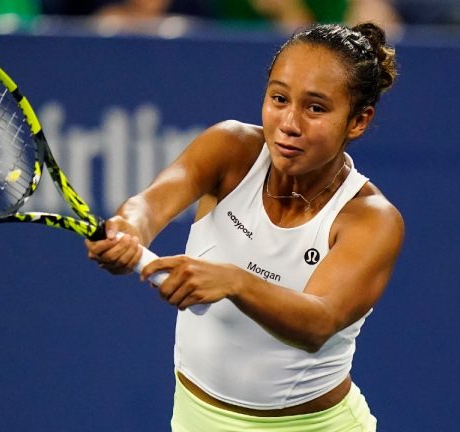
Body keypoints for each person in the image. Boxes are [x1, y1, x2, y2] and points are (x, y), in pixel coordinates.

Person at [86, 21, 404, 431]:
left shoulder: (372, 219)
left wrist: (236, 282)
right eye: (278, 98)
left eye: (316, 108)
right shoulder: (230, 148)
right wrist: (128, 230)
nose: (290, 123)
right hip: (195, 418)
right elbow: (149, 205)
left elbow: (318, 322)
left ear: (358, 121)